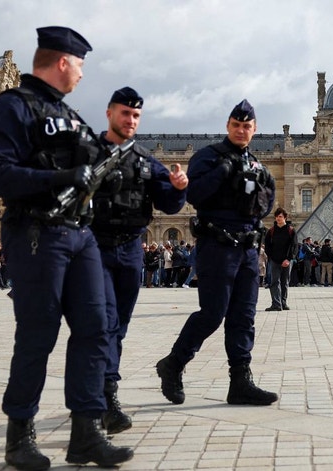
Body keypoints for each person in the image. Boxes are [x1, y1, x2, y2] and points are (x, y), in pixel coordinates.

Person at [0, 26, 133, 469]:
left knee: (96, 329)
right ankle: (19, 434)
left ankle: (86, 431)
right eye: (80, 65)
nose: (83, 75)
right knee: (37, 334)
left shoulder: (68, 114)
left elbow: (93, 162)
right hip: (36, 232)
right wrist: (58, 179)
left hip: (80, 235)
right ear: (63, 62)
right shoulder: (14, 107)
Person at [156, 99, 278, 407]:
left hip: (248, 249)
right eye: (236, 125)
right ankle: (174, 363)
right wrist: (223, 172)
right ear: (228, 126)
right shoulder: (208, 157)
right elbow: (193, 194)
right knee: (212, 313)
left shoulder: (259, 167)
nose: (241, 130)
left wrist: (254, 185)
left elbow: (266, 204)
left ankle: (240, 380)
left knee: (244, 317)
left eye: (246, 126)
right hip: (218, 245)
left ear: (254, 129)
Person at [91, 86, 188, 434]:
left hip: (131, 249)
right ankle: (106, 396)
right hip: (95, 248)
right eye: (124, 113)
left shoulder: (146, 161)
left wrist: (178, 186)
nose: (130, 120)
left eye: (135, 115)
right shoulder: (88, 154)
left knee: (119, 325)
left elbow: (170, 205)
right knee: (104, 322)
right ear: (109, 113)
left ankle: (102, 392)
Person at [263, 207, 297, 311]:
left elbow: (294, 246)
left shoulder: (291, 230)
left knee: (285, 282)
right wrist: (271, 257)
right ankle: (276, 304)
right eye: (277, 216)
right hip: (274, 260)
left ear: (285, 218)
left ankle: (283, 302)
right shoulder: (271, 231)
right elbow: (267, 245)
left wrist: (288, 259)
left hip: (286, 261)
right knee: (274, 282)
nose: (278, 218)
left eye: (280, 216)